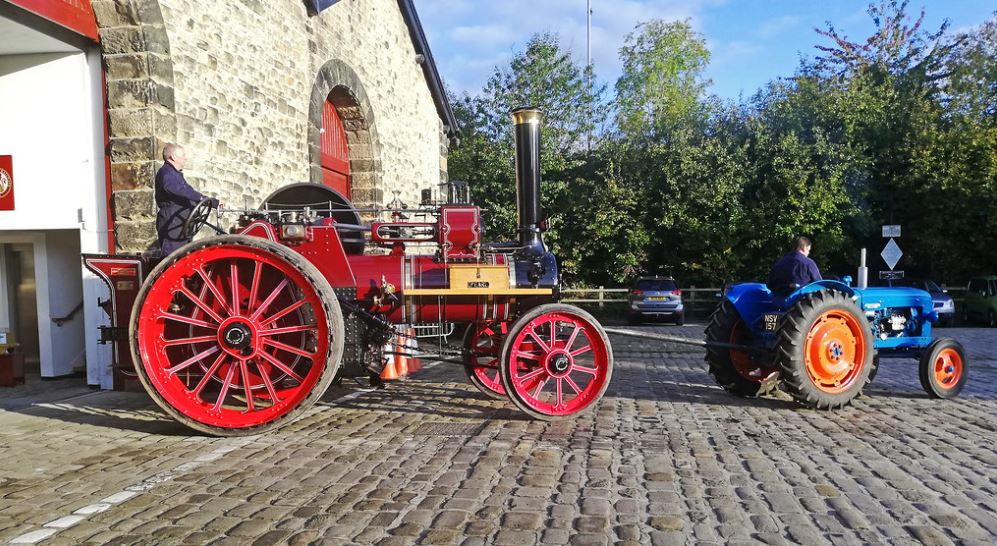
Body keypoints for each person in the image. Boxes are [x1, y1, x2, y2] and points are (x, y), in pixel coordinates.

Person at [154, 143, 217, 256]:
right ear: (173, 157)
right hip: (172, 222)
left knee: (183, 257)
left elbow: (186, 191)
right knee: (172, 257)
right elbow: (178, 189)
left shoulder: (175, 174)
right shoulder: (167, 173)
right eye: (183, 155)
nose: (185, 158)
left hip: (181, 222)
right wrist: (203, 199)